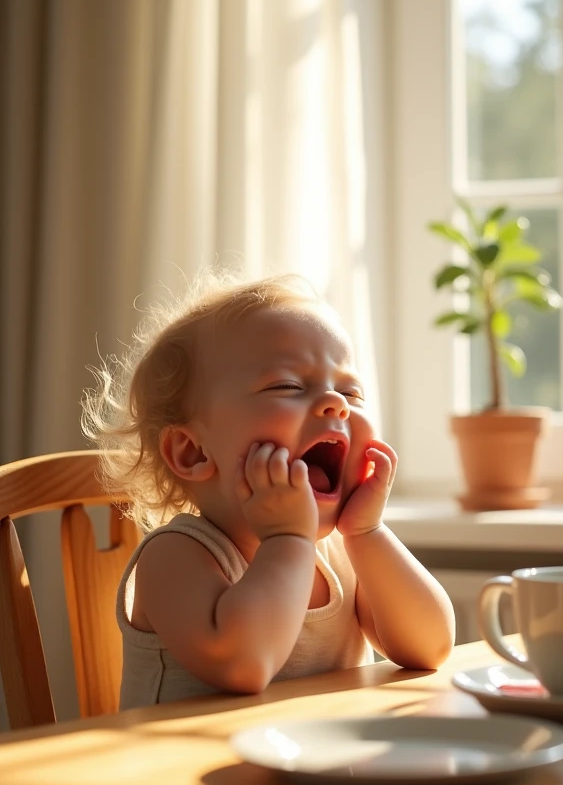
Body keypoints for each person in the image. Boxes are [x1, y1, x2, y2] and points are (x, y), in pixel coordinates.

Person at [82, 270, 455, 709]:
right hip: (182, 773)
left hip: (318, 767)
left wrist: (366, 533)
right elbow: (243, 665)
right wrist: (287, 539)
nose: (335, 404)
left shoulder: (338, 554)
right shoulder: (176, 556)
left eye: (351, 393)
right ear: (192, 451)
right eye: (287, 386)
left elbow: (430, 647)